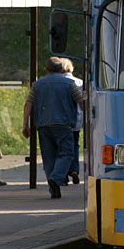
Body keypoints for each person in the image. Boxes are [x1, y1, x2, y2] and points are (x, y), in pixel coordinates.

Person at [24, 57, 83, 199]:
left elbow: (28, 104)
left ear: (47, 69)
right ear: (62, 69)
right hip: (63, 124)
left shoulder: (37, 85)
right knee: (67, 153)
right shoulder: (70, 84)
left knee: (48, 157)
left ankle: (53, 186)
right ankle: (55, 179)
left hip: (43, 125)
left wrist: (25, 124)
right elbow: (80, 101)